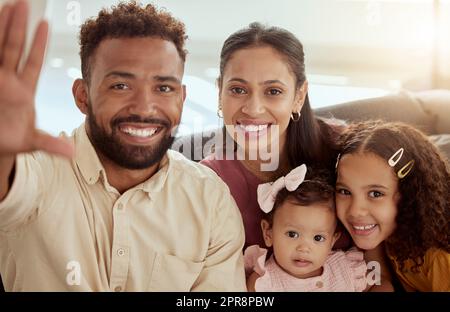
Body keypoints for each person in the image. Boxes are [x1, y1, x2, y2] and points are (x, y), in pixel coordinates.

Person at [0, 0, 245, 291]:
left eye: (164, 88)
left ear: (181, 98)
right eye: (121, 85)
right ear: (82, 96)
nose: (144, 107)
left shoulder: (210, 201)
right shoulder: (39, 171)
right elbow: (9, 190)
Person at [200, 22, 343, 250]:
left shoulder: (346, 152)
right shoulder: (207, 183)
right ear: (219, 92)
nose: (253, 108)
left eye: (273, 91)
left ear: (299, 95)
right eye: (238, 89)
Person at [335, 120, 450, 291]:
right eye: (344, 191)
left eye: (375, 194)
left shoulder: (440, 257)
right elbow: (377, 277)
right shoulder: (378, 233)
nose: (355, 211)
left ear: (411, 195)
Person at [245, 165, 368, 292]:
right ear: (268, 233)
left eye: (318, 238)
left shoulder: (345, 268)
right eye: (292, 234)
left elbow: (382, 285)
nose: (304, 248)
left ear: (332, 240)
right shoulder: (263, 284)